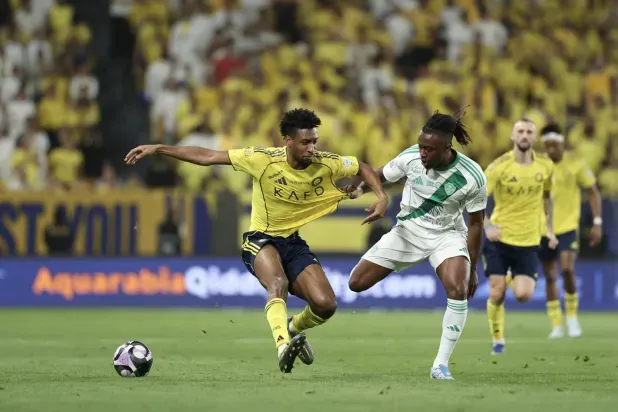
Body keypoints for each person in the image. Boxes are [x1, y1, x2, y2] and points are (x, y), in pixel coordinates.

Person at [125, 108, 388, 373]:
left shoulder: (326, 162)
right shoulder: (262, 159)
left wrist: (381, 196)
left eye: (314, 141)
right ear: (288, 141)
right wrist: (159, 148)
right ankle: (283, 346)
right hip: (260, 240)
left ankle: (293, 327)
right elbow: (208, 156)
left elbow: (362, 167)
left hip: (293, 244)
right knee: (278, 282)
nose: (312, 148)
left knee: (325, 305)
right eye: (305, 142)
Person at [346, 111, 487, 380]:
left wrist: (473, 266)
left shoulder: (472, 176)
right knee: (356, 283)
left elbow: (477, 223)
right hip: (408, 232)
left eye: (429, 149)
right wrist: (361, 189)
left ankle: (440, 365)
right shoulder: (411, 157)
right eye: (421, 146)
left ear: (447, 147)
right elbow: (381, 174)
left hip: (446, 235)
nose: (422, 153)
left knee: (458, 290)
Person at [483, 118, 557, 355]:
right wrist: (487, 226)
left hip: (529, 240)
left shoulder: (545, 166)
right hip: (499, 238)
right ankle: (498, 339)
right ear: (513, 136)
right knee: (496, 292)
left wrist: (550, 229)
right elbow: (475, 199)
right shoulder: (499, 166)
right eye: (520, 131)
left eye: (529, 132)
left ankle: (510, 276)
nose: (524, 135)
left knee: (524, 295)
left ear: (535, 137)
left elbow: (547, 198)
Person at [539, 125, 603, 339]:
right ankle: (556, 323)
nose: (551, 150)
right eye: (547, 146)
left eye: (554, 145)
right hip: (543, 229)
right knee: (550, 276)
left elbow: (593, 192)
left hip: (567, 227)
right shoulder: (538, 165)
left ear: (562, 143)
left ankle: (572, 317)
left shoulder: (576, 163)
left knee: (567, 270)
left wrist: (597, 222)